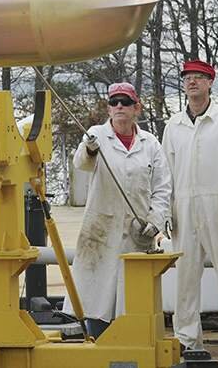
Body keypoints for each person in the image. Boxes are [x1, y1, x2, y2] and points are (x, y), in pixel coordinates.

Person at [64, 82, 172, 339]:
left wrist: (154, 221)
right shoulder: (96, 136)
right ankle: (99, 346)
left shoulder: (151, 144)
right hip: (100, 234)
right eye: (114, 102)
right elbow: (82, 163)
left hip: (137, 237)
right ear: (109, 109)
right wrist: (89, 149)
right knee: (97, 299)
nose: (119, 106)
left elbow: (163, 188)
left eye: (125, 101)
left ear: (137, 108)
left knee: (132, 304)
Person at [163, 60, 218, 358]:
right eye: (188, 77)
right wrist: (165, 210)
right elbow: (166, 173)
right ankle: (186, 338)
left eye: (199, 77)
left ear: (211, 82)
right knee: (185, 277)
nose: (192, 82)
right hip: (184, 208)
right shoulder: (173, 125)